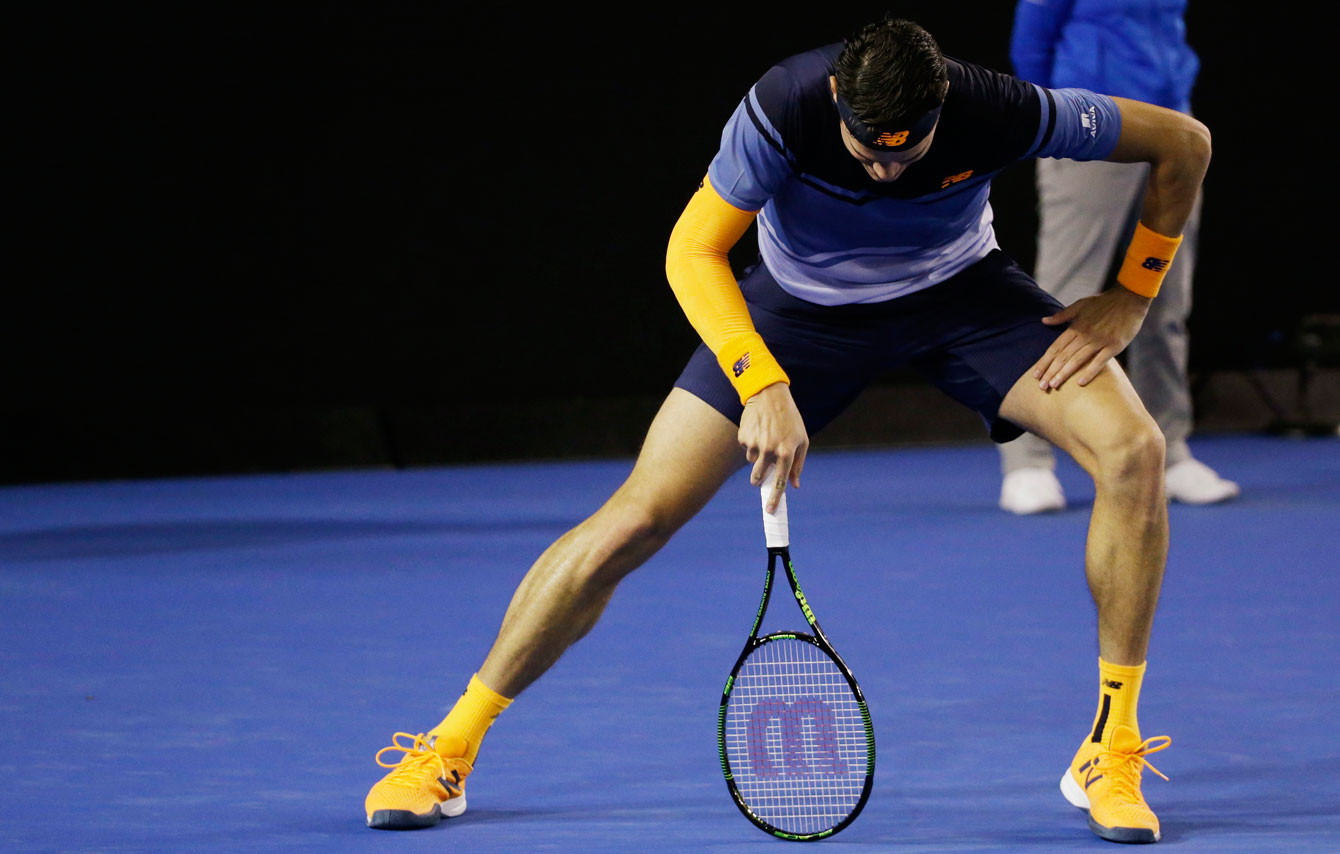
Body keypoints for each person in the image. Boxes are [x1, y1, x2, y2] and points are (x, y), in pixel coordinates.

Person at [363, 16, 1206, 844]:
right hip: (801, 316)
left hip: (963, 301)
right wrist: (760, 380)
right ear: (839, 96)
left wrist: (1132, 294)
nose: (882, 170)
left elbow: (1184, 144)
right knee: (635, 517)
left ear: (943, 104)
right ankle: (451, 742)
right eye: (867, 147)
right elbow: (693, 250)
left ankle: (1110, 745)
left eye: (904, 154)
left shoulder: (1005, 109)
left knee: (1135, 452)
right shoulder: (785, 105)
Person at [998, 0, 1238, 514]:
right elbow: (1032, 44)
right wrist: (1055, 123)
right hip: (1091, 125)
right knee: (1056, 302)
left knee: (1165, 301)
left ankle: (1171, 455)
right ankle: (1029, 463)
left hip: (1173, 123)